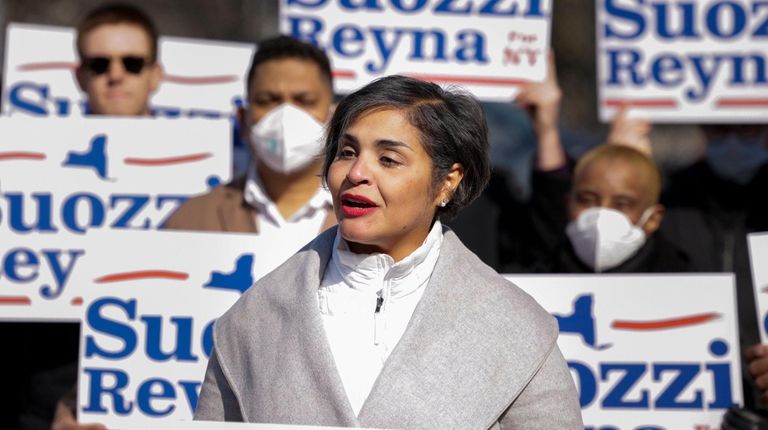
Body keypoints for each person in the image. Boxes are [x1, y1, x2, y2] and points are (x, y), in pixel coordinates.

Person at [193, 75, 583, 428]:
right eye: (346, 152)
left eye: (388, 159)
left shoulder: (515, 327)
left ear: (448, 181)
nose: (357, 173)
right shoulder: (253, 318)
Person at [164, 35, 335, 260]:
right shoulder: (192, 222)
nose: (286, 116)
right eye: (268, 100)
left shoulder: (374, 220)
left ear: (334, 118)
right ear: (242, 118)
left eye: (304, 101)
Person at [660, 124, 768, 409]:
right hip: (690, 394)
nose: (732, 143)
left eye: (747, 131)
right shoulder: (670, 198)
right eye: (719, 131)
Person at [74, 2, 163, 116]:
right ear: (80, 78)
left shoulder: (188, 134)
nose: (115, 76)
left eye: (132, 64)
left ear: (155, 75)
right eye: (99, 64)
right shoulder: (49, 134)